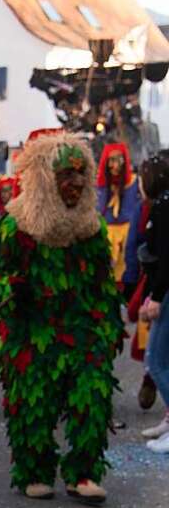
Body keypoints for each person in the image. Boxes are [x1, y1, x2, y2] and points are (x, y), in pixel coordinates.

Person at [0, 132, 123, 503]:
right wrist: (12, 287)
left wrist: (108, 328)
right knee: (33, 404)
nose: (75, 182)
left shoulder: (91, 229)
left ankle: (84, 472)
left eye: (81, 174)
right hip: (31, 331)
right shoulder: (16, 227)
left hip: (83, 330)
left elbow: (102, 285)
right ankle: (35, 470)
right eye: (66, 174)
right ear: (46, 178)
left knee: (92, 395)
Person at [136, 153, 169, 451]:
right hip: (162, 290)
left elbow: (166, 259)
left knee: (156, 361)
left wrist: (156, 297)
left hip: (167, 293)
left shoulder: (162, 209)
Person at [96, 142, 141, 293]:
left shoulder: (135, 182)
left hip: (128, 235)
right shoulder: (100, 186)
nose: (115, 165)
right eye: (111, 160)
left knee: (126, 273)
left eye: (119, 160)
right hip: (106, 235)